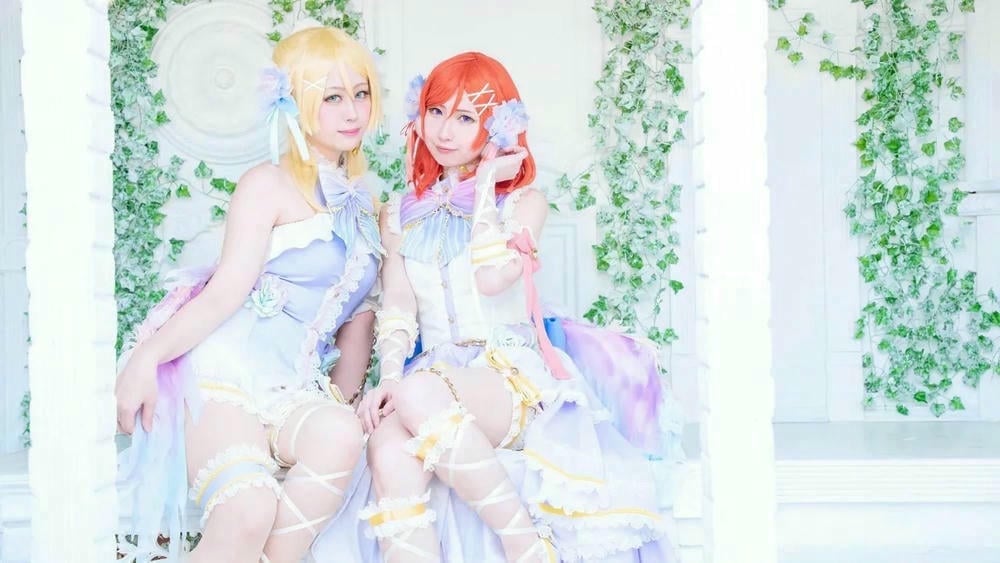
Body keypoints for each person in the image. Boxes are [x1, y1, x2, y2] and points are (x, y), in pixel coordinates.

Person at [314, 51, 679, 563]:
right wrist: (390, 378)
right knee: (386, 448)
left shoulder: (524, 203)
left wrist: (485, 187)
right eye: (436, 111)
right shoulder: (398, 212)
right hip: (431, 377)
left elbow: (491, 280)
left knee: (419, 393)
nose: (444, 131)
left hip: (507, 373)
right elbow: (398, 303)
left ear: (499, 127)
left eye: (466, 117)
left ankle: (526, 547)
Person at [115, 26, 384, 563]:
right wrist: (147, 357)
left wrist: (347, 400)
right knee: (249, 510)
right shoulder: (267, 184)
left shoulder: (366, 200)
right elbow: (223, 294)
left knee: (341, 434)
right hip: (226, 376)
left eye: (360, 93)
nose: (352, 111)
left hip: (295, 385)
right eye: (332, 97)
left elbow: (358, 321)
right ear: (294, 102)